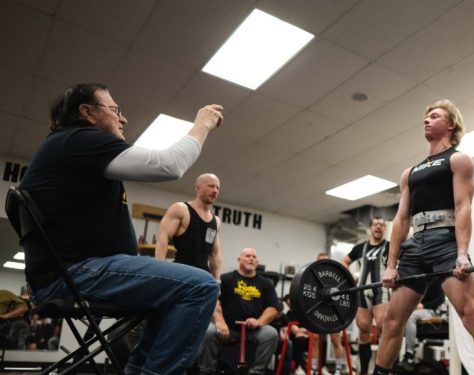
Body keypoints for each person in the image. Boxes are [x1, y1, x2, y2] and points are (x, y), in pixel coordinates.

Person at [18, 82, 223, 373]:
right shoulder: (79, 140)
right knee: (201, 286)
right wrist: (202, 124)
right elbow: (169, 165)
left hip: (77, 271)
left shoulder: (71, 147)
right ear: (87, 113)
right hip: (78, 273)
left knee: (171, 297)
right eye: (115, 110)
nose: (123, 118)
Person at [373, 100, 474, 375]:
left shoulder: (458, 160)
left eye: (434, 116)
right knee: (391, 321)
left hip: (445, 242)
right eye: (426, 116)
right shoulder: (409, 173)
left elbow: (462, 207)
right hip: (415, 245)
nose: (427, 120)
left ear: (450, 124)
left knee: (471, 315)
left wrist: (461, 253)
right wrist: (391, 265)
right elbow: (401, 219)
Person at [199, 247, 279, 375]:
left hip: (253, 331)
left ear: (257, 262)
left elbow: (272, 308)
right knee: (209, 331)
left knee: (271, 333)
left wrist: (259, 322)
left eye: (254, 257)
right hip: (228, 329)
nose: (251, 259)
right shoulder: (225, 279)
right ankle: (206, 371)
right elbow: (214, 302)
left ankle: (256, 372)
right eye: (247, 256)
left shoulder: (265, 284)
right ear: (239, 259)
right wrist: (220, 322)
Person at [340, 217, 390, 375]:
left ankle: (385, 370)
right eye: (375, 224)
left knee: (384, 328)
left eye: (382, 225)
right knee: (363, 331)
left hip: (380, 291)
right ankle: (363, 371)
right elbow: (344, 262)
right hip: (361, 291)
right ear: (370, 228)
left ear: (385, 229)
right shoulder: (360, 248)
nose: (378, 227)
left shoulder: (389, 246)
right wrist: (349, 279)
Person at [156, 173, 222, 279]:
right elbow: (163, 239)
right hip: (181, 274)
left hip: (203, 277)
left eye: (217, 188)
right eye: (211, 186)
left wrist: (217, 282)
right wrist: (159, 273)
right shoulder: (181, 209)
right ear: (198, 188)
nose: (215, 191)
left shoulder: (216, 221)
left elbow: (215, 254)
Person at [314, 253, 347, 375]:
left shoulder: (334, 277)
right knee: (316, 340)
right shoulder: (313, 277)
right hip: (317, 312)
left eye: (325, 261)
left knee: (335, 340)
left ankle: (338, 369)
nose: (323, 263)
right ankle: (314, 369)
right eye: (321, 261)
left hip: (331, 311)